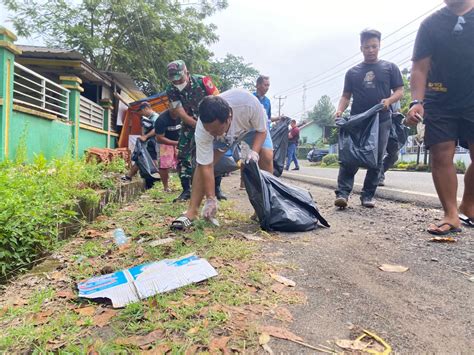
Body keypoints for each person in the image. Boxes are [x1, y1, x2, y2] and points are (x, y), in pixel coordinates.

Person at [405, 0, 474, 235]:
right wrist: (417, 102)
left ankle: (469, 205)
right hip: (439, 98)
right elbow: (419, 68)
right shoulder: (430, 25)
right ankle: (451, 214)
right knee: (441, 153)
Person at [170, 89, 273, 230]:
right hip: (225, 139)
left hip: (250, 129)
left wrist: (254, 152)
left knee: (266, 157)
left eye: (216, 130)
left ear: (229, 117)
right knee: (201, 166)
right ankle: (191, 212)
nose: (212, 134)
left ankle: (264, 208)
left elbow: (262, 131)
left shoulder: (248, 104)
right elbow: (206, 165)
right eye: (209, 131)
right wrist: (211, 199)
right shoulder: (203, 129)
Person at [334, 29, 404, 208]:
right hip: (358, 120)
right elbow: (345, 95)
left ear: (379, 46)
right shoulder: (352, 72)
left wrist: (389, 100)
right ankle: (342, 193)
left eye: (374, 46)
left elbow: (399, 91)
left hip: (381, 120)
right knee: (350, 155)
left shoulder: (390, 68)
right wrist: (340, 110)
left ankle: (368, 195)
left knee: (376, 157)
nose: (371, 50)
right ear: (361, 48)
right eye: (367, 47)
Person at [165, 60, 225, 202]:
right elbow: (179, 110)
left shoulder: (203, 81)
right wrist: (196, 124)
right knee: (183, 155)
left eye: (179, 77)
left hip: (211, 122)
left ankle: (217, 188)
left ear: (186, 72)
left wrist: (211, 125)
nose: (177, 81)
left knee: (215, 153)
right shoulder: (171, 89)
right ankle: (186, 190)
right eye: (173, 79)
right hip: (189, 123)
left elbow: (219, 100)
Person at [121, 102, 159, 182]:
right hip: (148, 143)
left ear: (146, 108)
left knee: (149, 160)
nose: (143, 114)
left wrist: (145, 136)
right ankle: (129, 176)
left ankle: (159, 178)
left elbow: (156, 129)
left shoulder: (155, 117)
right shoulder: (150, 118)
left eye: (142, 112)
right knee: (141, 158)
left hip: (152, 143)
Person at [378, 101, 405, 186]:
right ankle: (379, 176)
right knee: (379, 153)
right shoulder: (378, 91)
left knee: (394, 155)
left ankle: (378, 174)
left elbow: (397, 111)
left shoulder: (395, 95)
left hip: (391, 128)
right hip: (378, 125)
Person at [154, 110, 180, 192]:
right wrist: (176, 143)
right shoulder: (161, 119)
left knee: (183, 163)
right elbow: (159, 138)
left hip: (179, 141)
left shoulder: (184, 115)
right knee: (164, 165)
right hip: (164, 143)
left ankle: (186, 185)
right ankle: (166, 187)